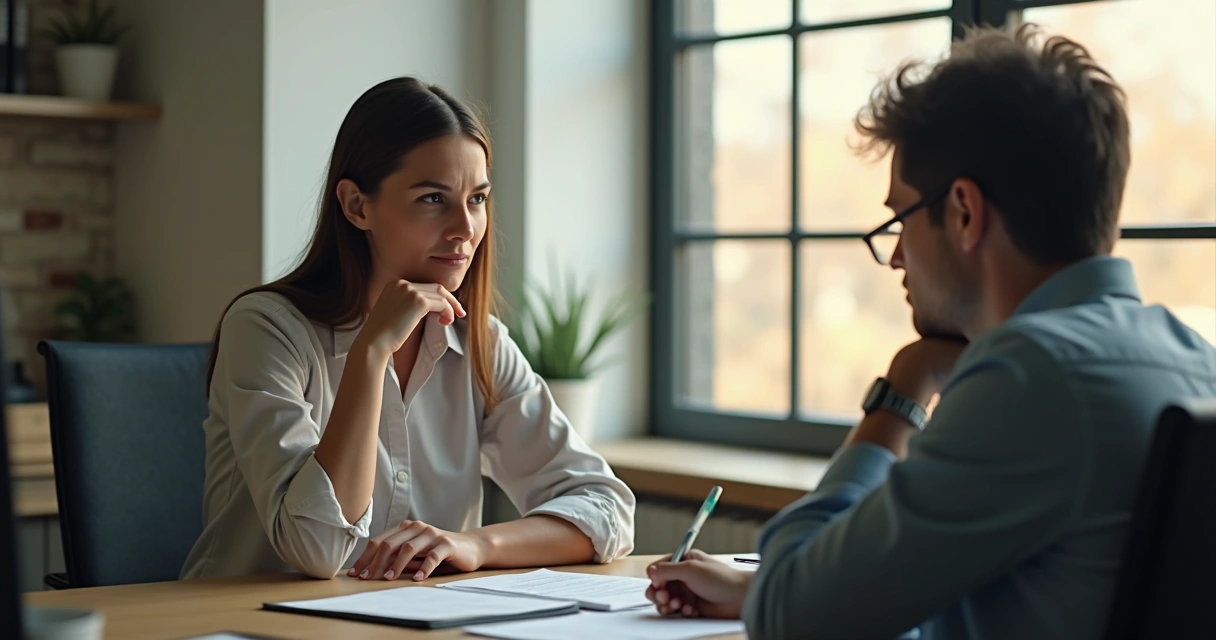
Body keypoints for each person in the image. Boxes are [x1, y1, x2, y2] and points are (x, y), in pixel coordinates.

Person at [645, 23, 1216, 640]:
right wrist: (763, 590)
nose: (894, 258)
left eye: (901, 218)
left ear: (965, 212)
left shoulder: (1032, 380)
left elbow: (794, 620)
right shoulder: (1190, 361)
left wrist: (901, 393)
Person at [181, 77, 635, 582]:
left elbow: (607, 507)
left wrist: (475, 545)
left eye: (478, 199)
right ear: (357, 206)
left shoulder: (479, 342)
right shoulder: (267, 331)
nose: (465, 228)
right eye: (432, 199)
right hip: (252, 623)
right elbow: (318, 548)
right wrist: (371, 353)